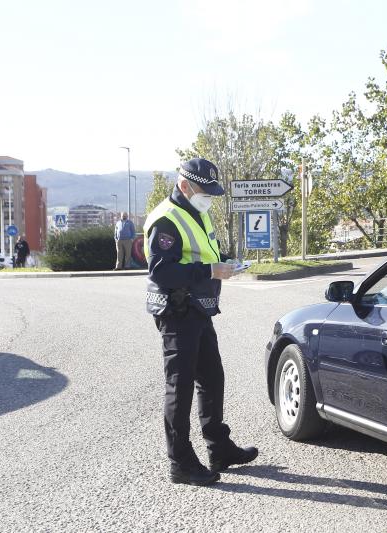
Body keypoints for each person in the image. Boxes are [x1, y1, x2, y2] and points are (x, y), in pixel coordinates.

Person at [144, 157, 257, 486]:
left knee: (211, 377)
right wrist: (209, 271)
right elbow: (161, 270)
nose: (208, 197)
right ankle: (180, 462)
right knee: (179, 389)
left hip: (198, 309)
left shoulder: (197, 212)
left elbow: (203, 253)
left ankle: (218, 447)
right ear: (185, 185)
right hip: (176, 312)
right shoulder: (166, 218)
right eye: (204, 191)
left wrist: (224, 264)